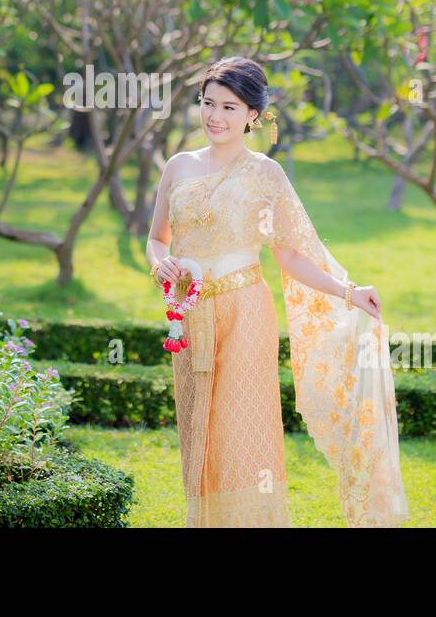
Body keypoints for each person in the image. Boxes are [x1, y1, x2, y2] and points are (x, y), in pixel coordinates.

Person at [146, 56, 409, 527]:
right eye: (208, 103)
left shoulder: (265, 175)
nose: (214, 117)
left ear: (253, 114)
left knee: (240, 429)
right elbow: (156, 237)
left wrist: (349, 293)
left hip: (246, 311)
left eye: (229, 107)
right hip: (189, 317)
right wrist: (158, 262)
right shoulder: (178, 168)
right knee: (197, 427)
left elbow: (292, 254)